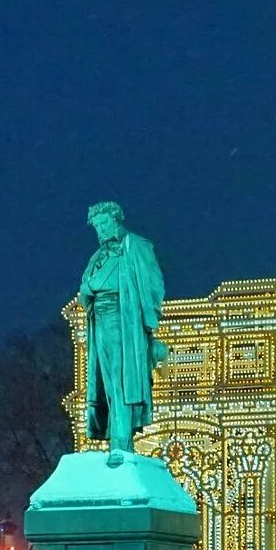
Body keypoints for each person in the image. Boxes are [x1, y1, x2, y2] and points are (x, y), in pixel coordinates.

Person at [77, 200, 168, 466]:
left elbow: (154, 285)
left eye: (103, 223)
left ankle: (121, 441)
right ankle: (117, 440)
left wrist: (147, 325)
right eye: (96, 226)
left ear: (116, 219)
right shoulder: (96, 257)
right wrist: (87, 292)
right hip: (101, 323)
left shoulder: (137, 246)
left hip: (124, 321)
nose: (100, 230)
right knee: (107, 381)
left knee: (122, 380)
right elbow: (85, 292)